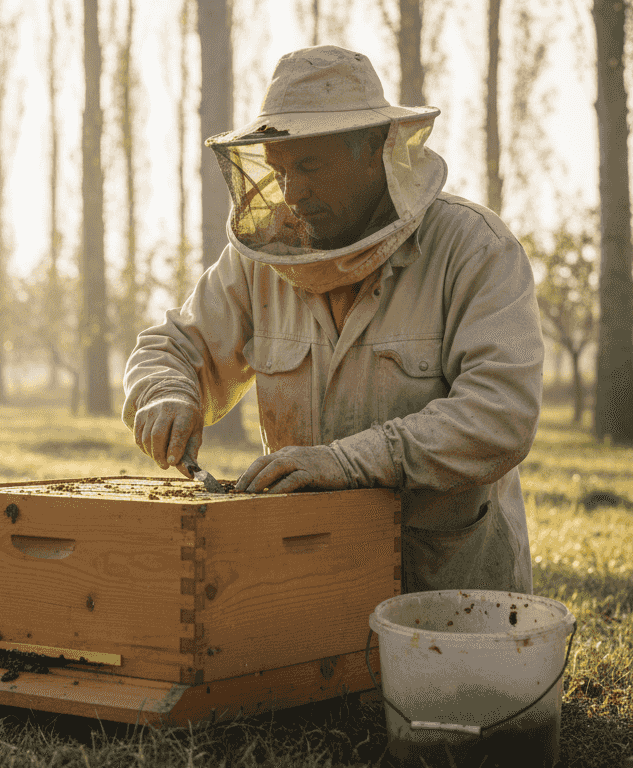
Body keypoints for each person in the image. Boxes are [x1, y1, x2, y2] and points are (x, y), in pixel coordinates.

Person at [122, 45, 543, 594]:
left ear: (375, 147)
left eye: (311, 165)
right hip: (309, 583)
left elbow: (501, 413)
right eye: (280, 169)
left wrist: (352, 461)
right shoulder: (262, 260)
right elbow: (174, 347)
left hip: (448, 588)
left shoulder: (473, 250)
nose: (293, 193)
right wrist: (165, 395)